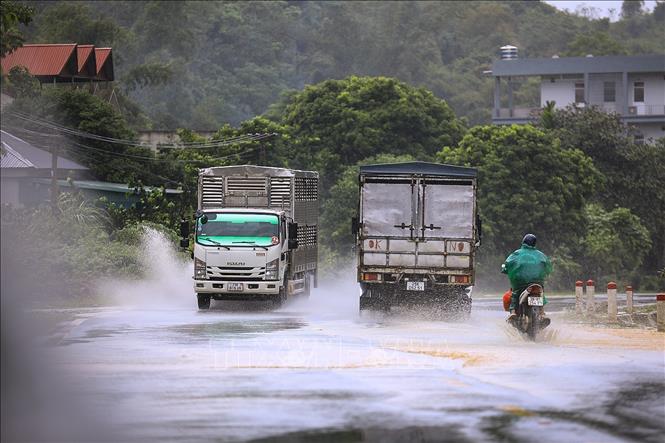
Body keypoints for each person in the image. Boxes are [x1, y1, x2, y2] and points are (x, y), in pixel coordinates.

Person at [501, 233, 552, 325]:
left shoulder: (515, 254)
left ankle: (513, 313)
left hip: (520, 283)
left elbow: (506, 265)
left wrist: (505, 269)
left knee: (515, 294)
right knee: (541, 293)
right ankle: (542, 313)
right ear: (534, 244)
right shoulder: (541, 255)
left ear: (523, 242)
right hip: (537, 282)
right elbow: (549, 268)